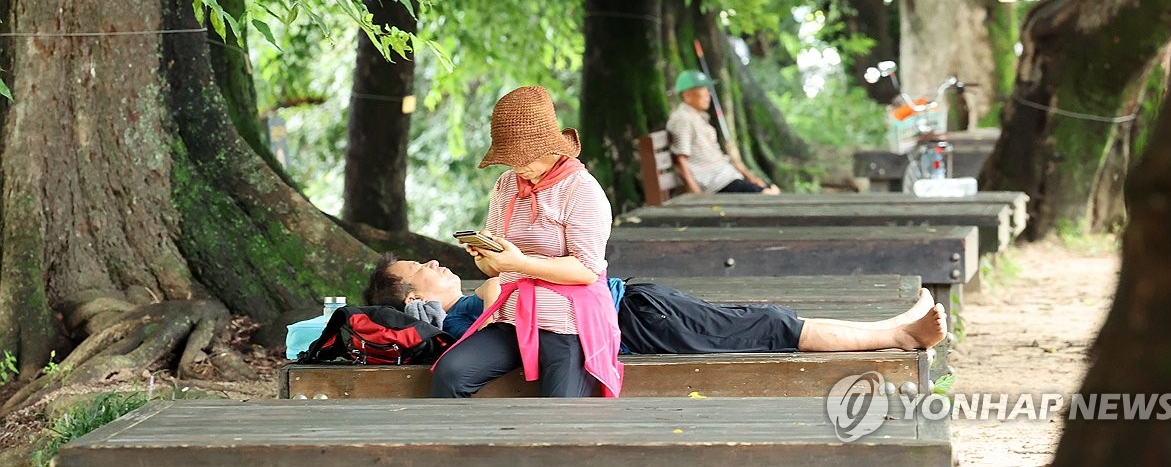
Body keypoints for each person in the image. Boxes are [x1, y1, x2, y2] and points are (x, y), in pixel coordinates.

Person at [428, 86, 623, 398]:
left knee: (560, 416)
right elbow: (497, 269)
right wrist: (485, 257)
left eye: (523, 159)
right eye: (510, 160)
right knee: (450, 374)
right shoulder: (506, 186)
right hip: (513, 319)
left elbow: (586, 270)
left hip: (568, 324)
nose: (516, 168)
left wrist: (520, 263)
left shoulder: (581, 190)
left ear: (550, 147)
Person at [365, 254, 948, 356]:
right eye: (424, 270)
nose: (437, 264)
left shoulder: (468, 302)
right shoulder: (462, 317)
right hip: (633, 323)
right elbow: (503, 297)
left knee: (759, 320)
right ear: (414, 299)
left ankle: (894, 327)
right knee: (769, 325)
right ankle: (898, 335)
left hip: (633, 304)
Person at [667, 69, 780, 195]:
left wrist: (749, 177)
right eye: (703, 89)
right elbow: (680, 160)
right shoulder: (683, 119)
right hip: (716, 183)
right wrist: (697, 195)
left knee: (772, 189)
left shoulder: (698, 117)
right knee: (769, 195)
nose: (708, 95)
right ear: (687, 95)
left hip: (727, 176)